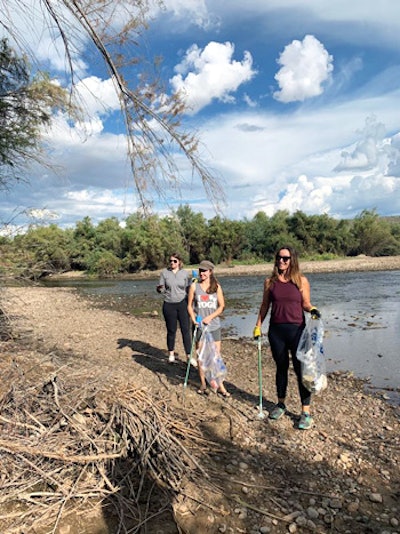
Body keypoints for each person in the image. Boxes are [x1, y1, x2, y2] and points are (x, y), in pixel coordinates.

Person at [253, 246, 321, 430]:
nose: (281, 261)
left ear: (292, 260)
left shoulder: (301, 281)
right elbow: (264, 305)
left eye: (286, 258)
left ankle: (305, 412)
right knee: (281, 368)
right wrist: (258, 326)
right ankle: (281, 403)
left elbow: (305, 303)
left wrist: (313, 309)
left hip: (298, 331)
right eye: (279, 257)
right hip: (276, 332)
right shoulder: (269, 282)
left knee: (301, 371)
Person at [187, 260, 230, 397]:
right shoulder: (194, 286)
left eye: (205, 271)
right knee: (201, 356)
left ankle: (220, 385)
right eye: (200, 270)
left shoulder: (217, 287)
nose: (202, 273)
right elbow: (189, 306)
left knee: (215, 356)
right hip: (200, 327)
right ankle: (203, 384)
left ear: (210, 272)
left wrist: (210, 317)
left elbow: (221, 306)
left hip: (214, 326)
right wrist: (194, 319)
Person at [157, 252, 194, 365]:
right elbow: (161, 289)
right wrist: (159, 289)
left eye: (174, 261)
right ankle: (171, 354)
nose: (172, 263)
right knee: (171, 330)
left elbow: (188, 289)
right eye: (170, 261)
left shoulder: (184, 273)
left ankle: (189, 356)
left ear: (179, 262)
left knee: (185, 330)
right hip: (169, 304)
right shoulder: (164, 273)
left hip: (182, 304)